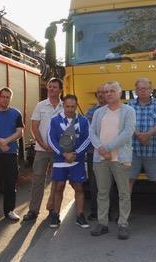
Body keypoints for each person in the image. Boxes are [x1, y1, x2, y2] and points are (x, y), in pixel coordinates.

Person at [89, 81, 136, 240]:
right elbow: (92, 132)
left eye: (112, 91)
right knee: (102, 192)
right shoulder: (98, 112)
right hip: (100, 159)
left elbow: (127, 133)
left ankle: (123, 224)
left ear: (119, 93)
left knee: (124, 192)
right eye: (106, 91)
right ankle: (102, 223)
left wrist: (107, 148)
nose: (108, 94)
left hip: (120, 159)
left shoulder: (128, 111)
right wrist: (101, 148)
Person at [127, 78, 156, 227]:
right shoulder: (129, 105)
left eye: (145, 88)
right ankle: (124, 213)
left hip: (154, 151)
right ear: (135, 91)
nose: (142, 91)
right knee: (128, 181)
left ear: (151, 90)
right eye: (139, 89)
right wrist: (138, 135)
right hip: (133, 150)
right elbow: (126, 123)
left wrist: (148, 135)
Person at [22, 78, 63, 222]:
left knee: (56, 181)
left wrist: (59, 146)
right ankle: (33, 210)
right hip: (41, 149)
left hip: (58, 151)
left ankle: (52, 208)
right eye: (50, 87)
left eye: (55, 87)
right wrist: (43, 144)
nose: (51, 89)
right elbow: (34, 127)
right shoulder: (40, 106)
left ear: (60, 90)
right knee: (38, 180)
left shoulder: (65, 107)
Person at [47, 94, 91, 229]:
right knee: (59, 187)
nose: (70, 109)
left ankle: (80, 215)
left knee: (79, 187)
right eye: (67, 106)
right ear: (63, 106)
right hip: (60, 159)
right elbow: (51, 139)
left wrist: (76, 154)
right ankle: (55, 215)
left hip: (76, 160)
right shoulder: (55, 120)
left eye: (73, 106)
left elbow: (88, 139)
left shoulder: (83, 121)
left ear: (76, 106)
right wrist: (63, 153)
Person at [0, 87, 24, 222]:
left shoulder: (16, 113)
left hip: (11, 153)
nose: (5, 99)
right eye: (3, 96)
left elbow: (20, 132)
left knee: (10, 183)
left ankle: (10, 210)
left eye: (8, 97)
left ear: (10, 99)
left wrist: (6, 141)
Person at [84, 84, 107, 221]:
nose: (100, 95)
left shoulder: (114, 110)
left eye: (103, 92)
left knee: (109, 184)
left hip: (111, 152)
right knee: (94, 183)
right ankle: (94, 210)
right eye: (98, 92)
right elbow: (89, 131)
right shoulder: (91, 111)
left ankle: (109, 211)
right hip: (94, 152)